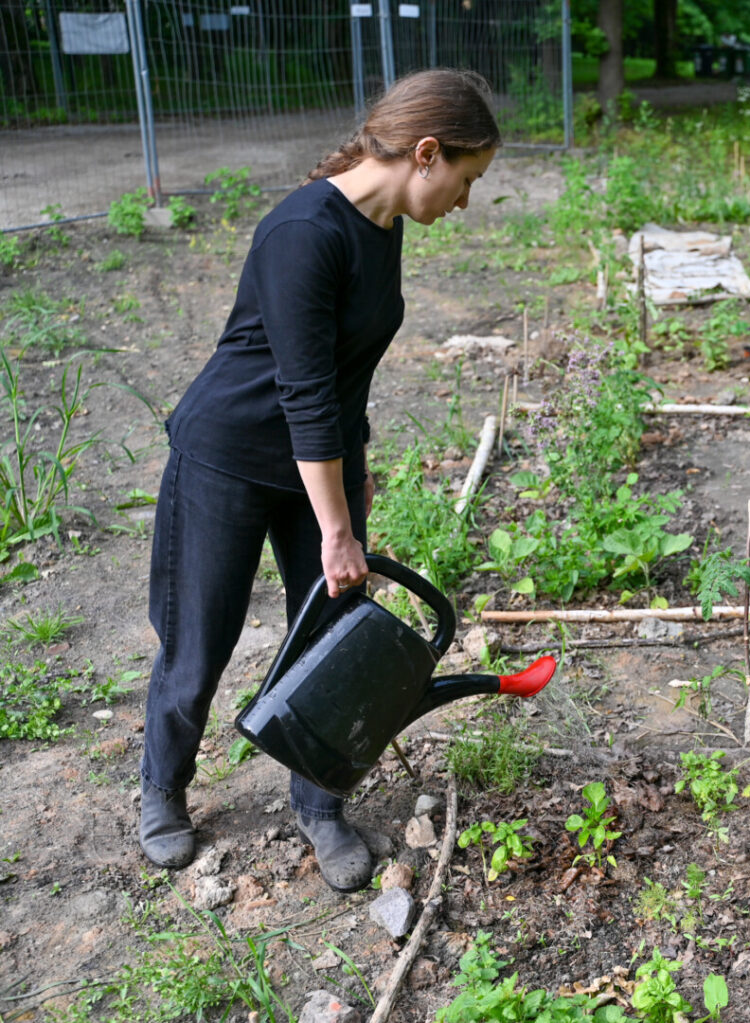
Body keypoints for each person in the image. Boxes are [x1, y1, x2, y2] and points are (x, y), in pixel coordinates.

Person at [138, 69, 500, 892]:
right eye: (467, 180)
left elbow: (346, 375)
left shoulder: (383, 222)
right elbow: (302, 392)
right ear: (427, 153)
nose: (465, 201)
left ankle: (319, 801)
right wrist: (337, 531)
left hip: (321, 458)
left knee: (331, 636)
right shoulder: (302, 232)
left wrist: (355, 474)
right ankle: (163, 788)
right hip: (227, 456)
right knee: (200, 640)